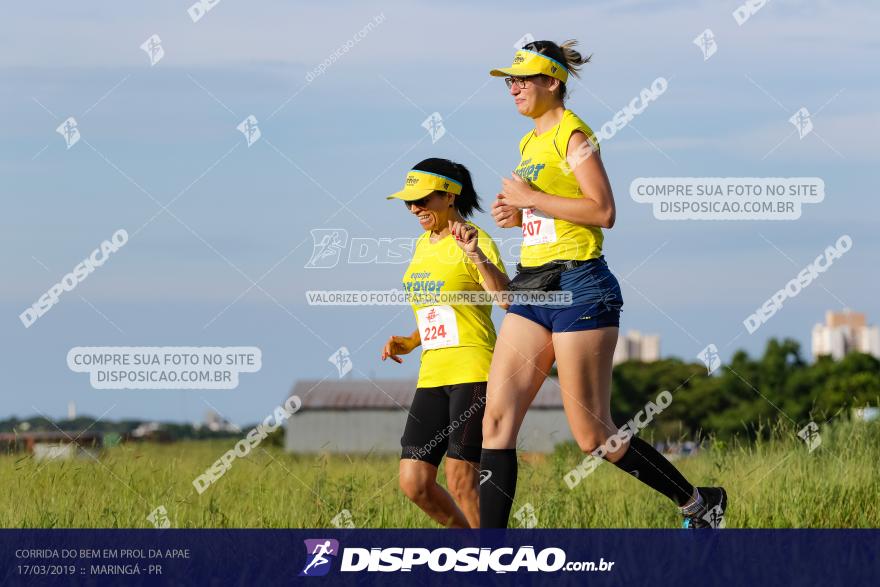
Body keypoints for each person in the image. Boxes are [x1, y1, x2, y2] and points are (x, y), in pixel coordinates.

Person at [479, 40, 727, 529]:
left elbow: (603, 211)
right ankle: (490, 554)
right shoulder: (529, 141)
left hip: (580, 287)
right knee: (495, 423)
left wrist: (535, 197)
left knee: (593, 436)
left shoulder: (575, 136)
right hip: (532, 288)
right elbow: (551, 206)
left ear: (553, 82)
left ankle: (700, 503)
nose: (514, 87)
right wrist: (519, 212)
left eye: (523, 78)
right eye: (510, 80)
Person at [381, 158, 509, 528]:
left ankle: (490, 566)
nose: (414, 208)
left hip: (473, 369)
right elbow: (438, 310)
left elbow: (505, 299)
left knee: (461, 478)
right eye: (409, 202)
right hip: (432, 375)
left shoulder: (474, 239)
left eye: (422, 199)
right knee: (414, 482)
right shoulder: (423, 245)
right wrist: (409, 340)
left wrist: (477, 256)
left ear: (449, 195)